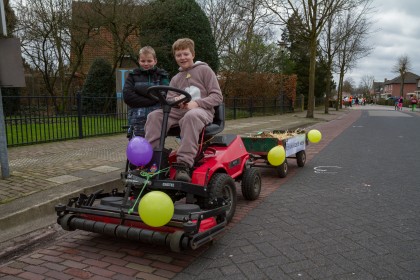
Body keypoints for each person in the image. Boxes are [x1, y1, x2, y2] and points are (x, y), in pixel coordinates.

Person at [144, 38, 223, 182]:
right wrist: (176, 101)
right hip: (180, 111)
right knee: (154, 116)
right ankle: (151, 159)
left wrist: (197, 103)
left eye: (185, 54)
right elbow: (170, 99)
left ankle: (183, 165)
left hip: (202, 111)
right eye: (178, 55)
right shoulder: (176, 78)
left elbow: (217, 97)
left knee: (191, 116)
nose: (182, 58)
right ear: (175, 57)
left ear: (193, 54)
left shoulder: (205, 70)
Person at [123, 46, 170, 137]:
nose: (146, 64)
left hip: (156, 117)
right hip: (136, 118)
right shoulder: (133, 76)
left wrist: (139, 92)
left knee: (155, 144)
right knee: (137, 145)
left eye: (149, 61)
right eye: (143, 61)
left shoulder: (162, 75)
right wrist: (153, 100)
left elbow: (165, 93)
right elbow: (128, 97)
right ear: (139, 61)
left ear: (155, 61)